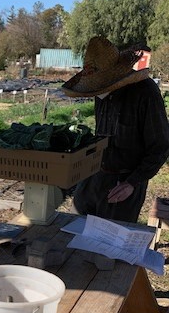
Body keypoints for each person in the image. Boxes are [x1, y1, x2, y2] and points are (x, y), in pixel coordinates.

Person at [61, 36, 169, 223]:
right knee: (74, 228)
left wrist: (132, 182)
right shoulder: (99, 92)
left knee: (109, 242)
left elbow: (161, 145)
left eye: (100, 87)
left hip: (125, 181)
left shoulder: (145, 92)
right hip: (94, 175)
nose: (96, 92)